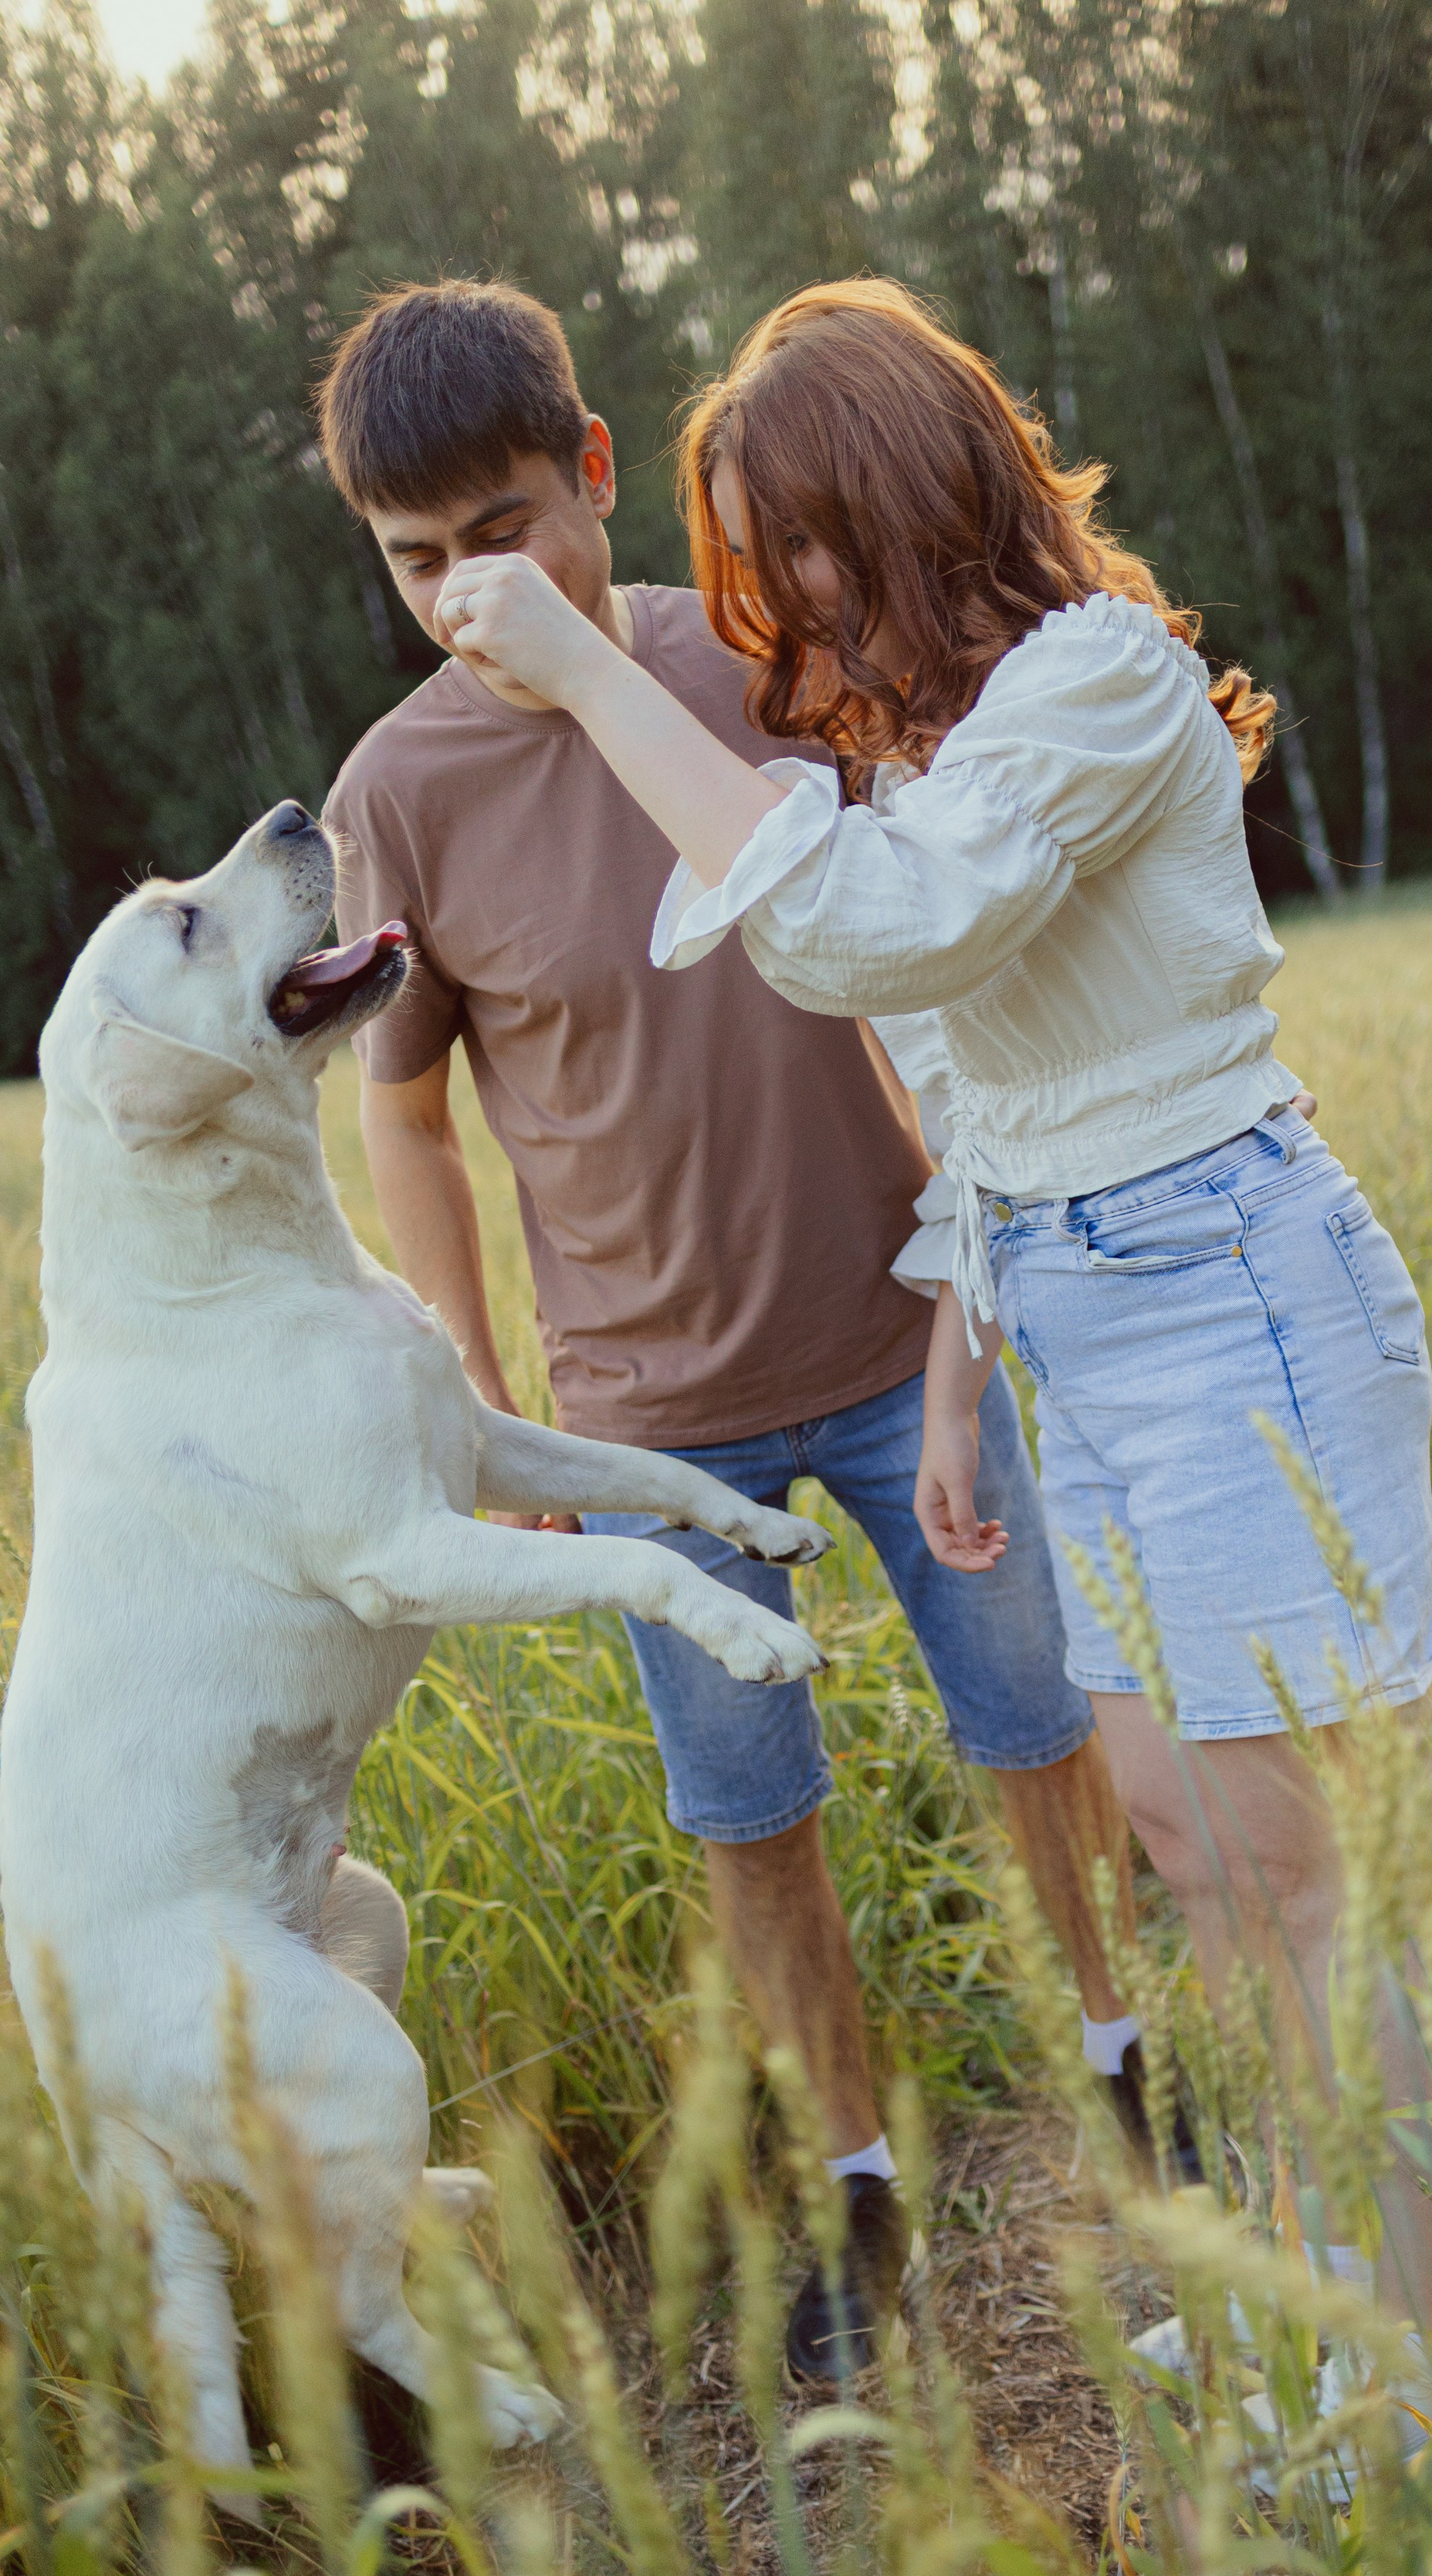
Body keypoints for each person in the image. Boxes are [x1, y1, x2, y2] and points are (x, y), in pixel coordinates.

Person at [428, 278, 1432, 2340]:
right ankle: (1341, 2282)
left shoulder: (1098, 685)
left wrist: (588, 683)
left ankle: (1429, 2350)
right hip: (1084, 1322)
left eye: (802, 543)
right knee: (1177, 1833)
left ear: (906, 496)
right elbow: (992, 1108)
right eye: (758, 562)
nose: (783, 603)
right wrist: (966, 1379)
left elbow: (876, 938)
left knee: (1290, 1872)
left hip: (1234, 1291)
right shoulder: (949, 754)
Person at [315, 280, 1176, 2384]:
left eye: (503, 532)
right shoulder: (397, 797)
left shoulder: (756, 668)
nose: (463, 594)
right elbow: (402, 1102)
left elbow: (948, 925)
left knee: (1038, 1728)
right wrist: (481, 1381)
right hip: (645, 1423)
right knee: (749, 1820)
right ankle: (858, 2197)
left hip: (901, 1351)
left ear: (597, 476)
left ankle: (1133, 2074)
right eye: (416, 559)